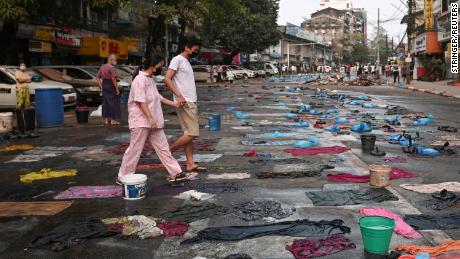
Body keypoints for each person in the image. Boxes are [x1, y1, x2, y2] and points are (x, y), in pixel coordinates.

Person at [118, 55, 188, 183]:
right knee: (134, 150)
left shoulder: (150, 80)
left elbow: (158, 97)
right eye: (159, 66)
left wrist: (175, 104)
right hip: (141, 122)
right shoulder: (139, 80)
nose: (160, 69)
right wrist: (150, 119)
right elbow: (141, 102)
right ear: (152, 67)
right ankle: (123, 176)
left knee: (163, 148)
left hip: (154, 122)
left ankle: (176, 172)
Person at [165, 36, 207, 173]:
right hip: (185, 101)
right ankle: (167, 152)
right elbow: (167, 79)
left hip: (190, 101)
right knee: (193, 133)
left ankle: (190, 163)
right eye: (195, 49)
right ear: (186, 47)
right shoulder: (177, 60)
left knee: (188, 134)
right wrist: (179, 95)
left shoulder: (186, 61)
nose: (196, 51)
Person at [96, 54, 121, 125]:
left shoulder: (102, 67)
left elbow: (97, 77)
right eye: (115, 60)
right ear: (111, 60)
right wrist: (117, 89)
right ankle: (113, 120)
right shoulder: (111, 68)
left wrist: (101, 86)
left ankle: (106, 120)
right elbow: (113, 79)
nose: (116, 62)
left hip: (104, 85)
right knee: (113, 103)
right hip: (111, 85)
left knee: (106, 103)